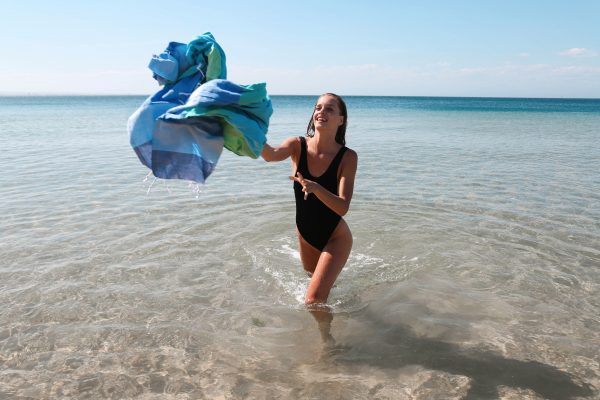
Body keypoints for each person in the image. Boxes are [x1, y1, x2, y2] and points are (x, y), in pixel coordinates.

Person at [261, 93, 358, 307]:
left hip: (335, 237)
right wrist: (247, 128)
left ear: (341, 120)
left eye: (330, 109)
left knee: (313, 299)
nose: (321, 112)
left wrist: (316, 188)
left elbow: (342, 207)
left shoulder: (348, 157)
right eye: (318, 107)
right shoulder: (297, 146)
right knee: (320, 295)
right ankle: (331, 328)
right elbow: (270, 155)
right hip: (306, 235)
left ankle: (327, 340)